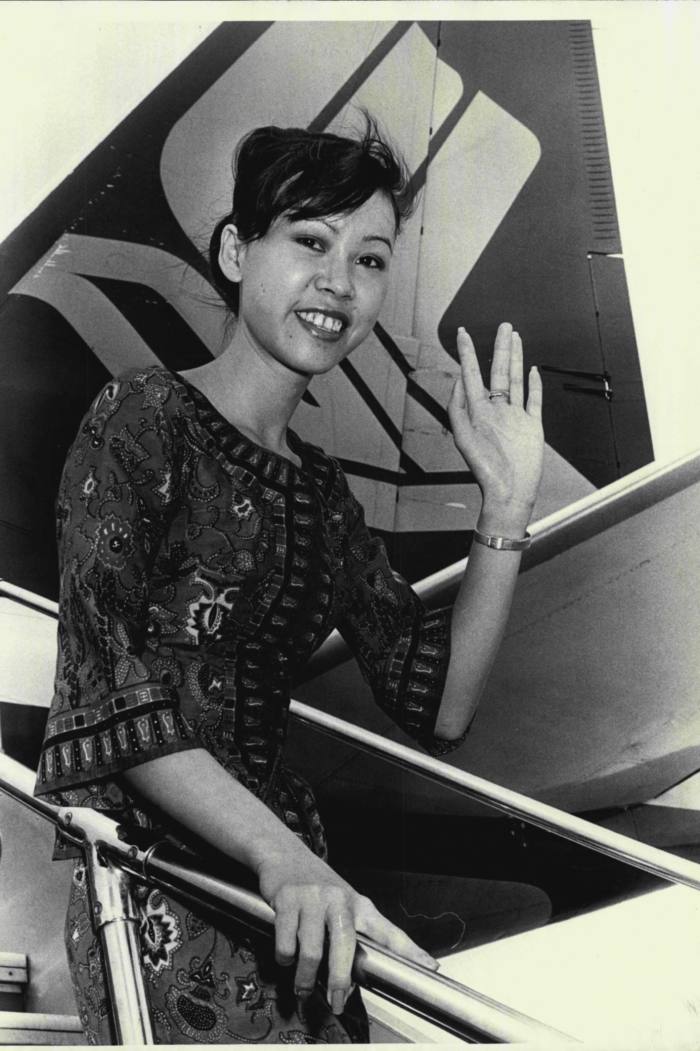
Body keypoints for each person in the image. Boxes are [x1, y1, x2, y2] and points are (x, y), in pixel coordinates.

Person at [35, 118, 544, 1044]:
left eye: (371, 259)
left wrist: (503, 507)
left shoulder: (321, 492)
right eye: (310, 241)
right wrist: (286, 862)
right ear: (236, 250)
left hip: (296, 909)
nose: (340, 283)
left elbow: (440, 704)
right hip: (160, 890)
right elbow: (112, 689)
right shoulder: (141, 416)